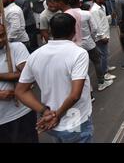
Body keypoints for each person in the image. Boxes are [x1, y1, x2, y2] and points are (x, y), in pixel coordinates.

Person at [15, 13, 93, 143]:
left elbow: (20, 91)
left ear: (50, 31)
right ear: (74, 31)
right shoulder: (79, 53)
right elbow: (75, 95)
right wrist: (57, 115)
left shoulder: (35, 55)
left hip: (51, 122)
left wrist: (45, 112)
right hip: (74, 119)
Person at [68, 0, 114, 91]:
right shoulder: (86, 14)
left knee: (80, 67)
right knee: (97, 61)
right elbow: (94, 29)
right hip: (88, 42)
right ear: (80, 3)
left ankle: (87, 88)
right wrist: (95, 38)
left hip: (74, 44)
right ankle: (101, 82)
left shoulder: (67, 14)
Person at [0, 24, 37, 143]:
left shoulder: (16, 47)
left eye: (2, 35)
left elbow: (28, 74)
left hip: (23, 112)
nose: (1, 40)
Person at [90, 0, 115, 75]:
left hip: (105, 34)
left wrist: (110, 17)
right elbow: (97, 25)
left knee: (106, 53)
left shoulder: (102, 7)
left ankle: (106, 67)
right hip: (101, 37)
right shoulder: (94, 10)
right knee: (103, 55)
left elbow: (103, 19)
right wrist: (102, 37)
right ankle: (105, 73)